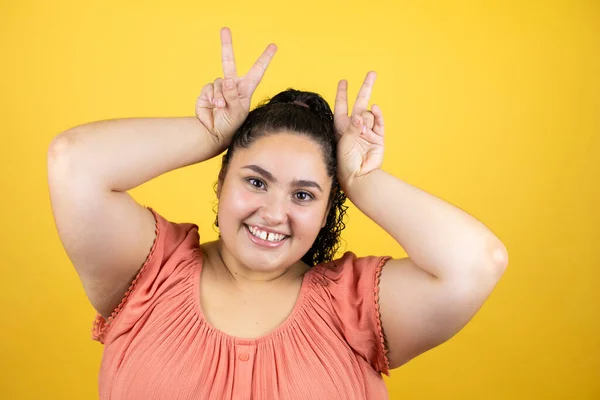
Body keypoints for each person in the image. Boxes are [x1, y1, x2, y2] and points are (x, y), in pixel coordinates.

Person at [47, 27, 508, 400]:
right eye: (256, 181)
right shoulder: (150, 274)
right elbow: (74, 162)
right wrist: (208, 134)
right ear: (222, 179)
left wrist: (361, 179)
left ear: (329, 207)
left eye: (304, 195)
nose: (273, 213)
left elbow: (476, 262)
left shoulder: (355, 308)